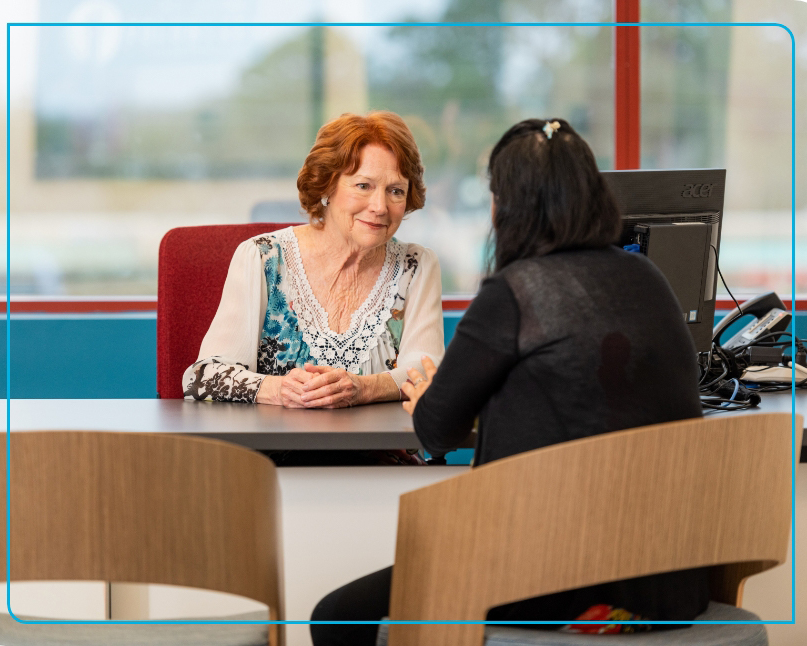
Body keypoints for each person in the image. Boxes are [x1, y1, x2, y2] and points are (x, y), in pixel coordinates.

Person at [310, 118, 708, 645]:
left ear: (506, 207)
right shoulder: (652, 282)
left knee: (336, 619)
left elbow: (437, 430)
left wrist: (430, 397)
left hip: (559, 584)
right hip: (673, 585)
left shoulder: (515, 294)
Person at [182, 111, 444, 413]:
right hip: (271, 457)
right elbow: (203, 378)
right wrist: (279, 389)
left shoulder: (417, 265)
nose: (379, 207)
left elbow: (426, 372)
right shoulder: (262, 258)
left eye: (395, 191)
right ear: (327, 187)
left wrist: (362, 388)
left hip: (382, 455)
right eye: (363, 186)